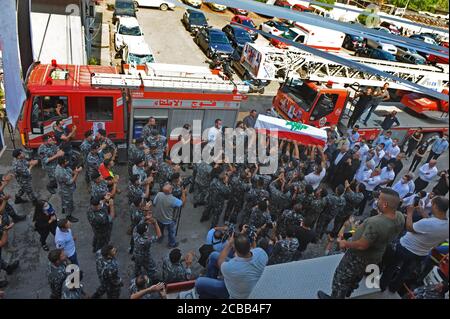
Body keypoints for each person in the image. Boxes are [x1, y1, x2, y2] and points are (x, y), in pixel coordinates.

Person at [317, 188, 405, 299]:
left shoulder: (375, 223)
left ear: (385, 204)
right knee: (355, 278)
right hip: (375, 256)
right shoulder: (400, 217)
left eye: (379, 199)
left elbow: (362, 245)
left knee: (341, 279)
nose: (377, 201)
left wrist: (345, 244)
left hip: (358, 257)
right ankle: (348, 292)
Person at [380, 197, 449, 293]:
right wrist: (422, 212)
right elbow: (433, 224)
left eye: (432, 204)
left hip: (406, 248)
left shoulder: (428, 223)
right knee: (405, 272)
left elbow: (409, 227)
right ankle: (393, 288)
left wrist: (410, 213)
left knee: (391, 266)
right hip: (421, 254)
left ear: (436, 206)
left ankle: (382, 285)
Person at [195, 230, 268, 299]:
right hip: (245, 283)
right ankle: (211, 282)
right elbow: (253, 251)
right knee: (213, 255)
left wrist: (229, 244)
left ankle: (210, 294)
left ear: (235, 250)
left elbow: (220, 261)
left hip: (233, 293)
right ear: (249, 245)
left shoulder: (231, 267)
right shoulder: (261, 253)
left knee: (199, 283)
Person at [153, 183, 186, 248]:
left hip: (159, 218)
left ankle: (160, 238)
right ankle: (172, 244)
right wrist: (183, 193)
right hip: (169, 220)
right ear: (171, 191)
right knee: (171, 233)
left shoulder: (159, 194)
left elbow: (154, 203)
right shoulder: (173, 199)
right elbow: (182, 204)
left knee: (160, 229)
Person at [55, 157, 82, 223]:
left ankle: (64, 208)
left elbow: (70, 172)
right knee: (69, 203)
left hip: (64, 188)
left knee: (64, 200)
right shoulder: (61, 173)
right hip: (65, 190)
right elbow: (71, 182)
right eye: (66, 161)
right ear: (62, 164)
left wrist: (75, 170)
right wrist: (77, 173)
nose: (68, 162)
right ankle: (68, 216)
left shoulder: (63, 166)